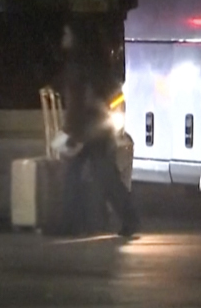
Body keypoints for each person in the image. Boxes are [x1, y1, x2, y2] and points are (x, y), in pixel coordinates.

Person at [58, 21, 140, 237]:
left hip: (89, 128)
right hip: (98, 127)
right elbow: (112, 93)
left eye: (67, 32)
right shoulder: (94, 63)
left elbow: (78, 102)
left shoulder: (78, 65)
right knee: (94, 174)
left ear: (76, 37)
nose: (63, 37)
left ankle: (70, 223)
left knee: (90, 173)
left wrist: (73, 131)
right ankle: (73, 222)